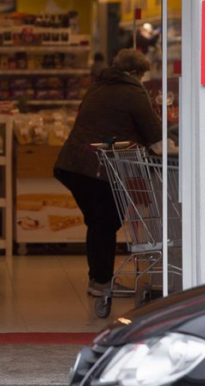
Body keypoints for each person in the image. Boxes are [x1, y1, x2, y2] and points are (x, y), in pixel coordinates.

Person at [54, 48, 162, 298]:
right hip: (100, 169)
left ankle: (98, 280)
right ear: (135, 73)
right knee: (105, 223)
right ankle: (101, 283)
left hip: (73, 165)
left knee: (97, 224)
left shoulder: (98, 86)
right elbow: (153, 132)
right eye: (142, 76)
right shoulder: (133, 91)